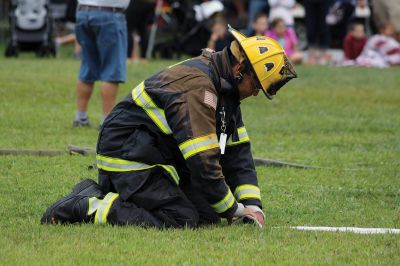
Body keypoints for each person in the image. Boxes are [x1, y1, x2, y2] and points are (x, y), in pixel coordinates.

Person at [41, 26, 297, 229]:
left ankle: (97, 191)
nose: (254, 94)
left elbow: (237, 151)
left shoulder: (224, 87)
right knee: (181, 218)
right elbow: (203, 163)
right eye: (256, 87)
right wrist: (235, 210)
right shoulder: (199, 87)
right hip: (128, 157)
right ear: (240, 69)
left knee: (208, 214)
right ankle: (87, 206)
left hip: (155, 157)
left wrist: (253, 205)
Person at [72, 0, 130, 128]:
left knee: (87, 67)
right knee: (111, 70)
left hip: (83, 12)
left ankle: (80, 118)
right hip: (109, 14)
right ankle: (106, 122)